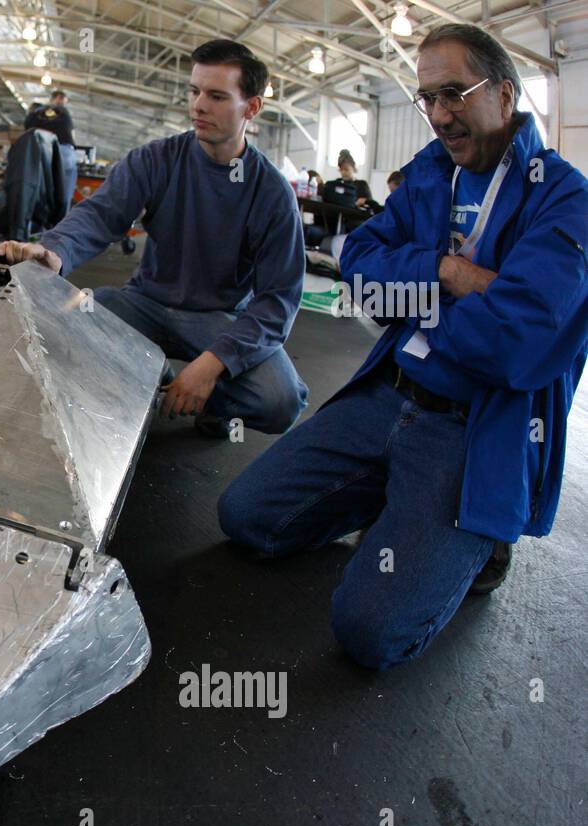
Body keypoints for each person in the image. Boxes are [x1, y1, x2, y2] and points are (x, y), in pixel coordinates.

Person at [217, 24, 588, 669]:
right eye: (427, 99)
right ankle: (398, 504)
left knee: (369, 635)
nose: (440, 116)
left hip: (471, 432)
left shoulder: (566, 201)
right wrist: (446, 275)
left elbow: (514, 345)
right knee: (245, 516)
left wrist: (408, 292)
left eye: (454, 93)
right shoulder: (431, 175)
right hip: (388, 397)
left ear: (504, 93)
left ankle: (473, 539)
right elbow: (356, 264)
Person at [0, 39, 307, 438]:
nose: (198, 105)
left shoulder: (271, 193)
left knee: (279, 402)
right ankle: (157, 373)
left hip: (219, 319)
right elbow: (100, 214)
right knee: (68, 323)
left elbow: (278, 300)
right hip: (145, 304)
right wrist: (54, 251)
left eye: (215, 96)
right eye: (194, 91)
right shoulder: (156, 159)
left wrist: (213, 364)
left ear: (251, 108)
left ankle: (191, 394)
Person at [26, 90, 78, 208]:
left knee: (40, 193)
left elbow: (28, 131)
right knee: (64, 196)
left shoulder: (36, 114)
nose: (62, 104)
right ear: (57, 98)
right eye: (62, 101)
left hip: (44, 153)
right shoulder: (62, 113)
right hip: (65, 153)